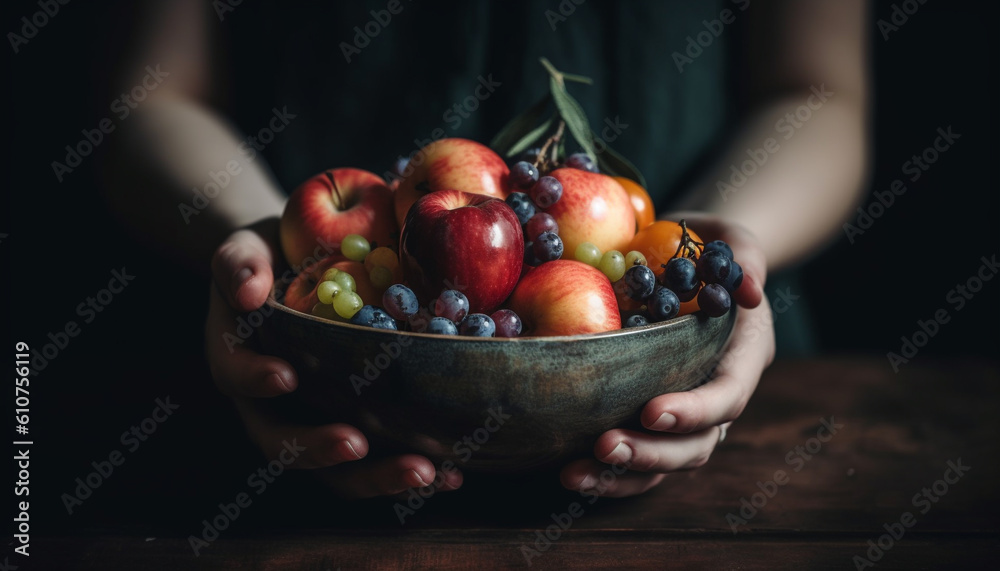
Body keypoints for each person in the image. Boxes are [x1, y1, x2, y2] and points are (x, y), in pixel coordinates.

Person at [103, 0, 868, 498]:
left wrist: (729, 238)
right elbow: (153, 94)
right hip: (300, 380)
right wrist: (259, 243)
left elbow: (817, 91)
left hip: (684, 370)